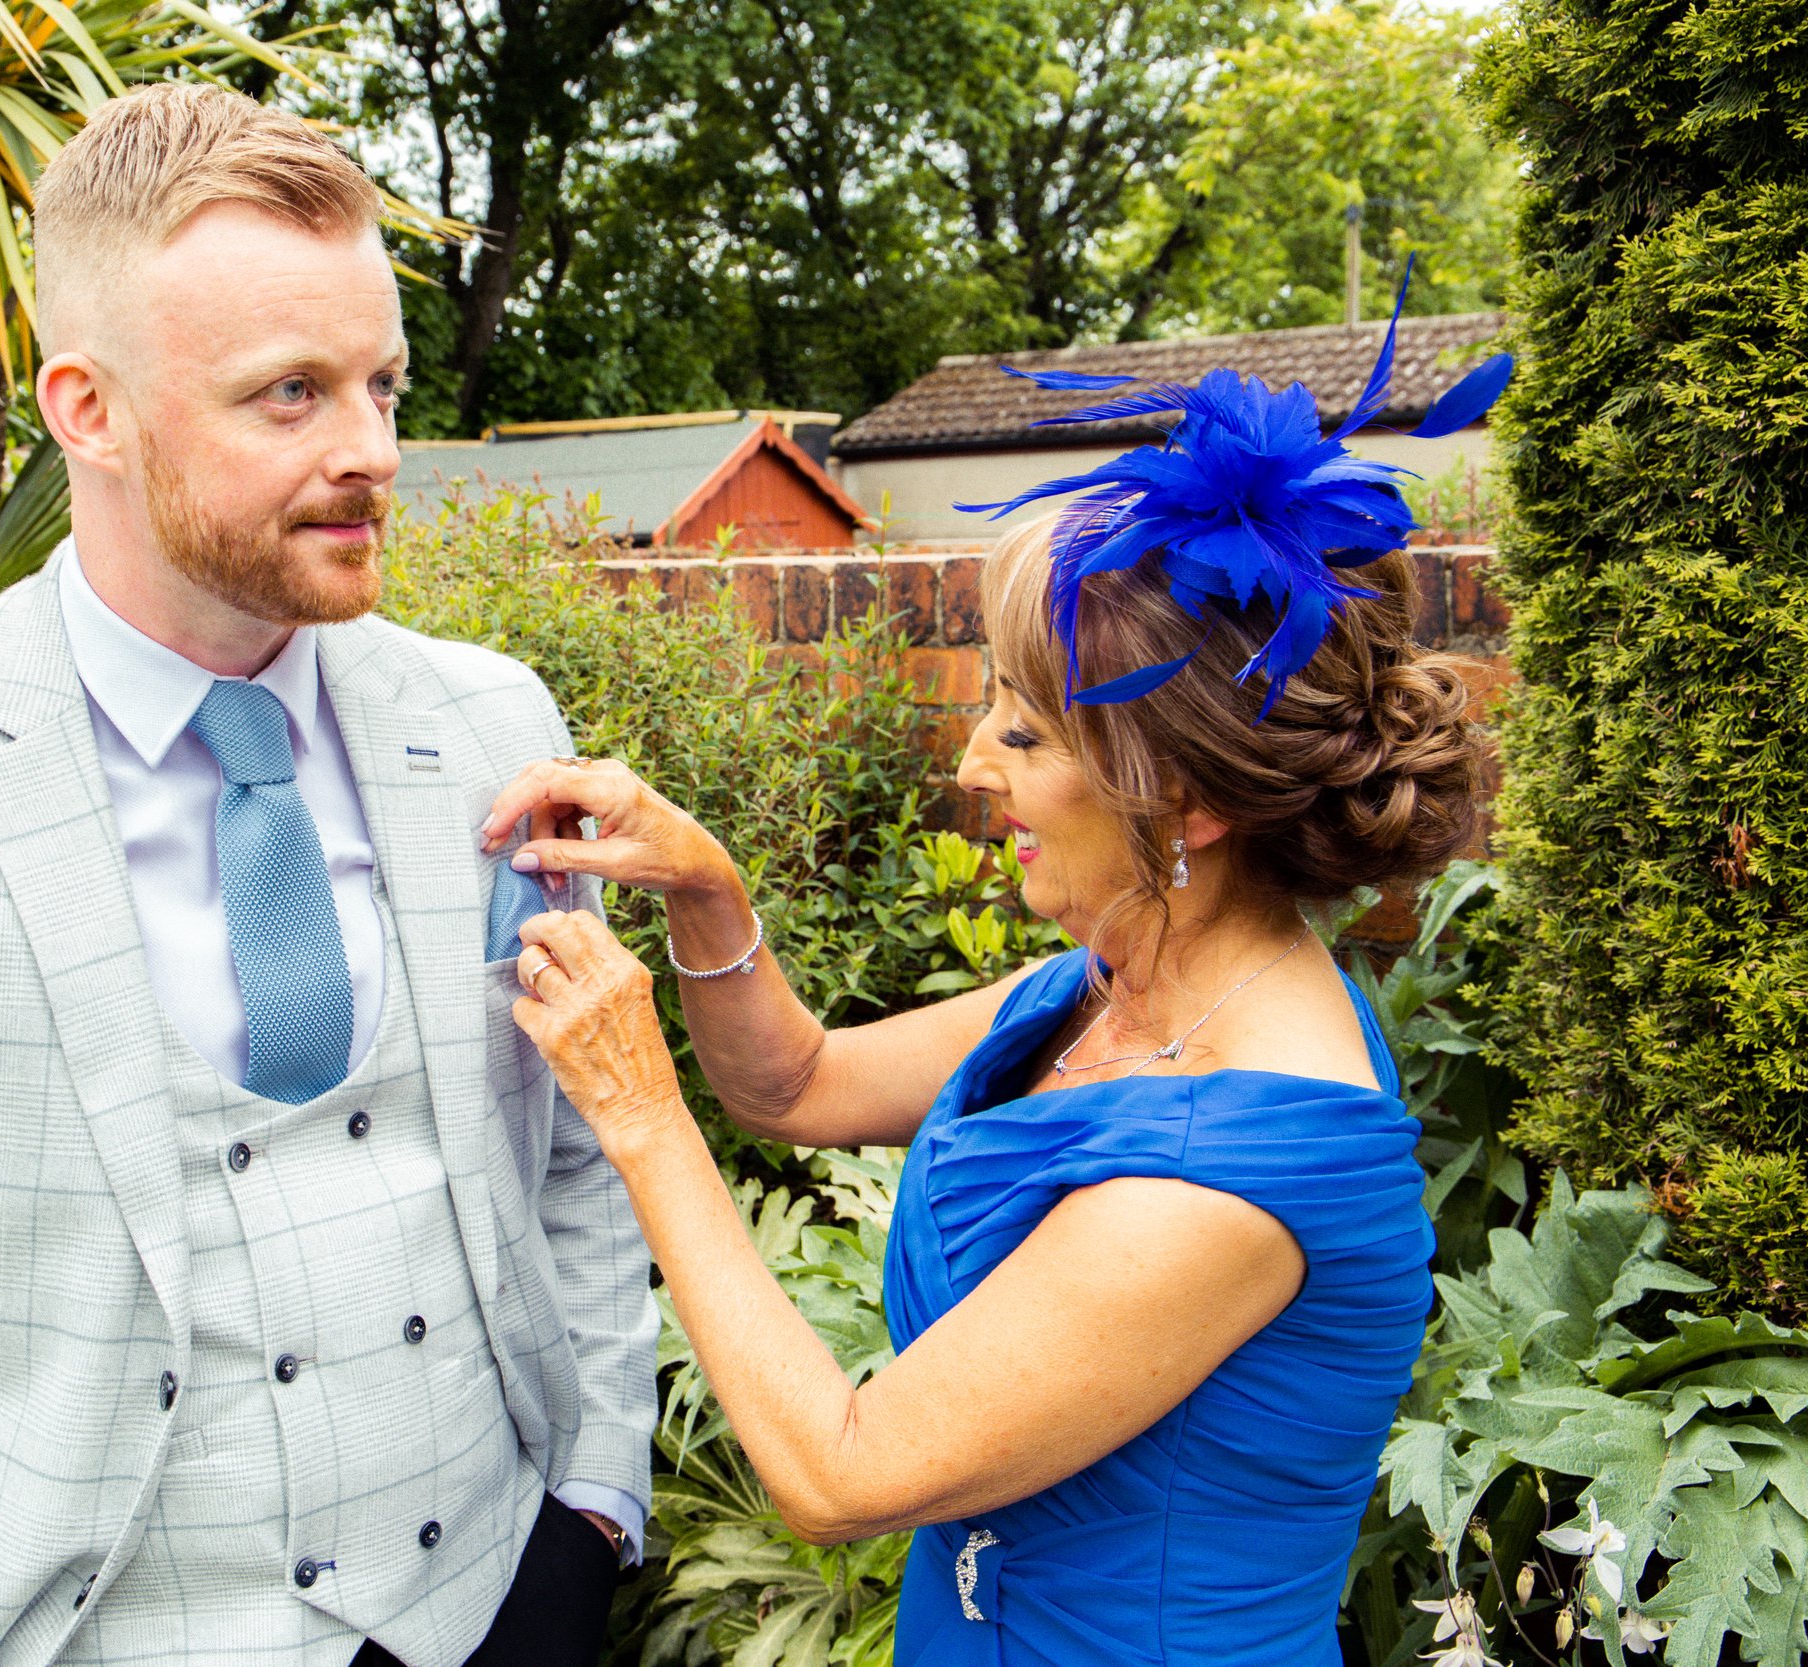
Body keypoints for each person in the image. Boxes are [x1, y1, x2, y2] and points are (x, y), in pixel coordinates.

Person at [0, 84, 654, 1667]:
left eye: (381, 383)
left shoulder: (489, 723)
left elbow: (581, 1156)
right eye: (290, 395)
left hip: (496, 1605)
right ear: (88, 409)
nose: (372, 453)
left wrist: (590, 1508)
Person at [488, 320, 1508, 1665]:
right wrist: (706, 890)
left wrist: (635, 1108)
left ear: (1180, 799)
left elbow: (840, 1473)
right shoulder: (1098, 992)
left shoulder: (1227, 1179)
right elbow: (795, 1085)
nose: (973, 763)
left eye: (1023, 730)